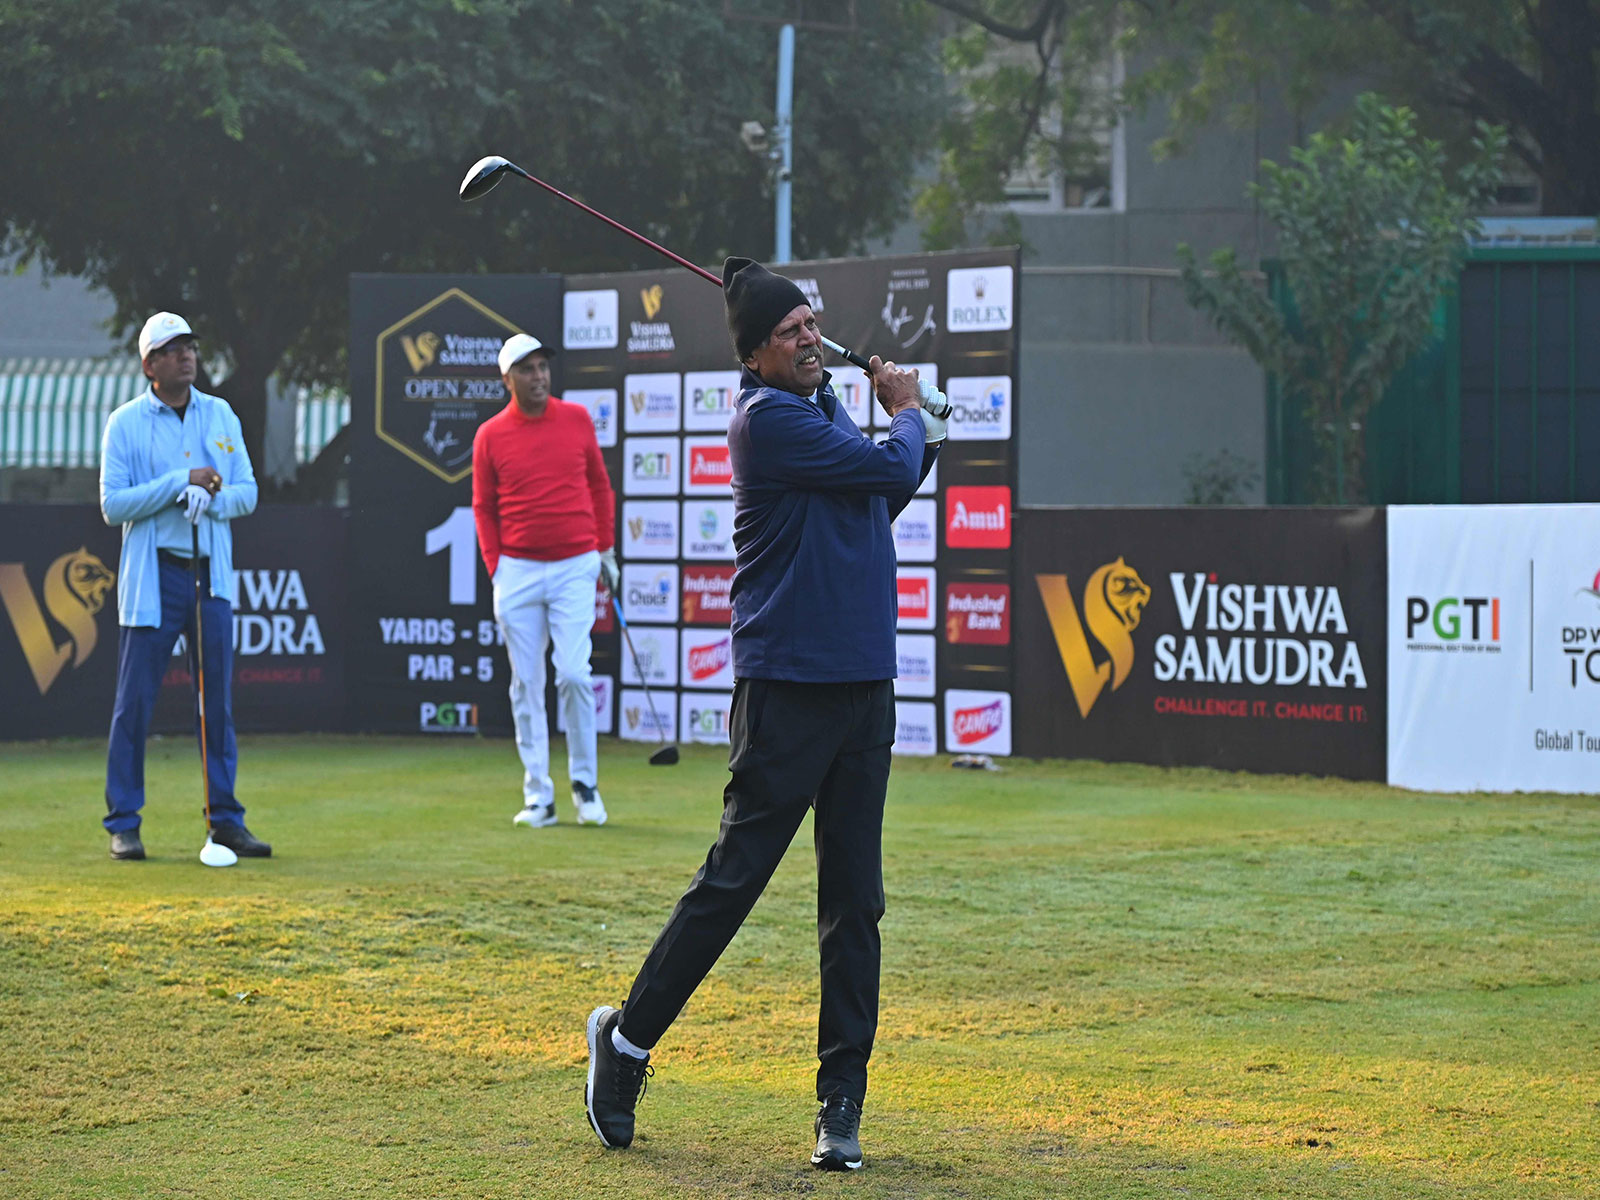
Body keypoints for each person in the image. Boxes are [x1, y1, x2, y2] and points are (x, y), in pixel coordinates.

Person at [583, 258, 947, 1170]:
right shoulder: (768, 419)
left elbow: (879, 497)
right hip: (787, 687)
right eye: (790, 334)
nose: (810, 339)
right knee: (734, 882)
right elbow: (879, 466)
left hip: (862, 683)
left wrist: (917, 439)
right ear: (754, 356)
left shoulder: (819, 405)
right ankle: (624, 1047)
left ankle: (841, 1104)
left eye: (813, 324)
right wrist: (907, 412)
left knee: (854, 902)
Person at [99, 311, 265, 861]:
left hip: (209, 577)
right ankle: (124, 821)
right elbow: (112, 505)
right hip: (155, 577)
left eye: (190, 346)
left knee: (215, 704)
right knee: (134, 706)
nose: (186, 356)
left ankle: (226, 821)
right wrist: (179, 484)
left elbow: (247, 493)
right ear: (150, 365)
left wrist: (212, 498)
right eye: (172, 350)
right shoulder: (124, 423)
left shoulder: (220, 414)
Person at [472, 333, 619, 829]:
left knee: (574, 674)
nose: (539, 376)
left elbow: (600, 485)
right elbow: (483, 506)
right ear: (507, 378)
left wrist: (606, 549)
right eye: (527, 369)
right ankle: (539, 796)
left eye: (542, 367)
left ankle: (585, 785)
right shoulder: (490, 435)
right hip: (516, 568)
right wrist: (497, 566)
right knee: (526, 684)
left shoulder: (576, 419)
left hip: (575, 563)